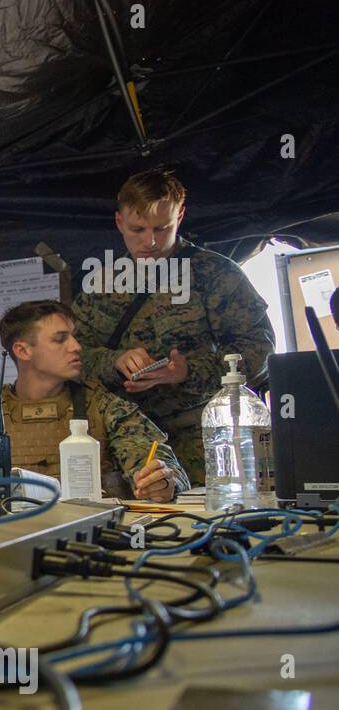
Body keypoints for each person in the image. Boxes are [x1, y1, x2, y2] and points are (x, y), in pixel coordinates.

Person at [73, 167, 275, 483]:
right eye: (137, 229)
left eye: (161, 228)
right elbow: (74, 357)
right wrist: (115, 363)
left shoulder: (218, 275)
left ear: (180, 217)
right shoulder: (100, 285)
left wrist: (187, 372)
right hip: (129, 445)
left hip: (211, 443)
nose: (150, 241)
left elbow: (258, 351)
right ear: (119, 222)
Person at [0, 301, 189, 501]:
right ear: (23, 351)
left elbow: (166, 471)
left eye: (74, 336)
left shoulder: (104, 407)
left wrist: (162, 482)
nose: (77, 346)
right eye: (60, 339)